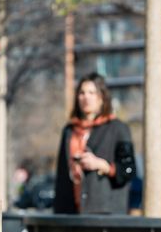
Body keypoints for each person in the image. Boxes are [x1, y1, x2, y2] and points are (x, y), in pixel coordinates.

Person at [53, 73, 136, 214]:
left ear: (102, 97)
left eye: (92, 92)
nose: (86, 97)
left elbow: (129, 170)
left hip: (105, 213)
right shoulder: (69, 130)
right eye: (82, 93)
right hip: (71, 212)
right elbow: (61, 176)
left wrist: (103, 166)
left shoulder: (117, 128)